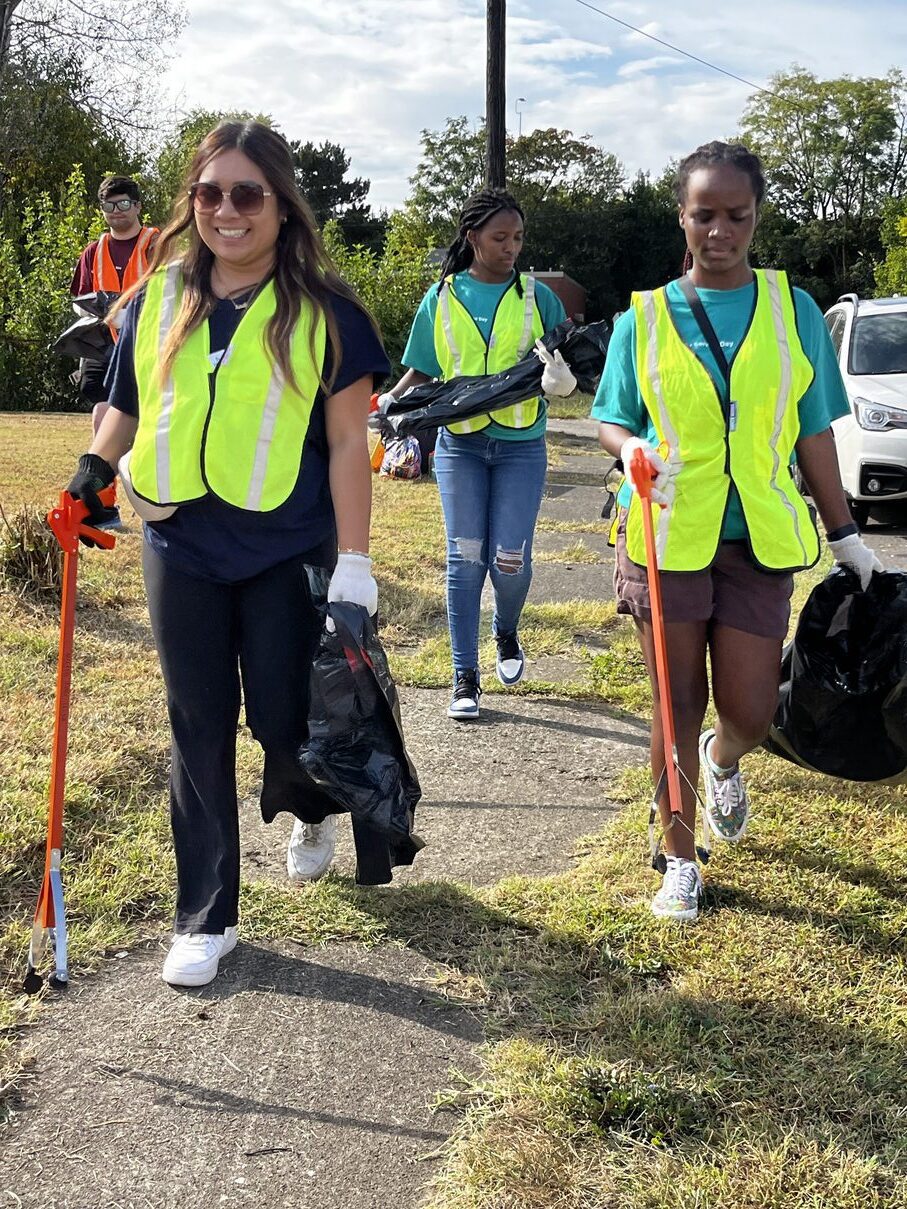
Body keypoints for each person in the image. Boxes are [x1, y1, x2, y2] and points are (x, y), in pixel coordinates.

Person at [63, 121, 389, 986]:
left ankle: (310, 807)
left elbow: (350, 443)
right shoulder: (154, 298)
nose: (226, 210)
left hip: (286, 547)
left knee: (284, 722)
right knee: (196, 723)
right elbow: (126, 405)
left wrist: (354, 566)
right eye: (209, 193)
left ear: (282, 204)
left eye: (247, 193)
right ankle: (207, 916)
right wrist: (93, 468)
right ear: (192, 203)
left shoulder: (329, 312)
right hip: (179, 541)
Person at [592, 141, 881, 923]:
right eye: (703, 214)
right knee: (672, 706)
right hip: (664, 537)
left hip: (757, 541)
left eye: (735, 214)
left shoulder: (793, 310)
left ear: (756, 216)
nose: (718, 229)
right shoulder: (642, 316)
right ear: (681, 217)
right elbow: (610, 418)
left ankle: (724, 763)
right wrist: (630, 448)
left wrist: (845, 533)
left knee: (749, 710)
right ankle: (678, 857)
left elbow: (813, 430)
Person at [376, 188, 574, 720]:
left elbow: (568, 359)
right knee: (465, 557)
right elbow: (422, 363)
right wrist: (394, 397)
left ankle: (506, 631)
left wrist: (564, 380)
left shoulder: (537, 297)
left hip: (520, 444)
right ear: (472, 238)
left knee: (509, 559)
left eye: (518, 238)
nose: (511, 247)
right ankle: (465, 677)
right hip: (459, 444)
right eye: (499, 237)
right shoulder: (440, 296)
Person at [70, 176, 159, 439]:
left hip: (146, 340)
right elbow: (80, 299)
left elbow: (174, 296)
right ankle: (103, 478)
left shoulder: (157, 244)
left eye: (122, 204)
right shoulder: (93, 251)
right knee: (95, 396)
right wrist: (95, 314)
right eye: (109, 206)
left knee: (140, 409)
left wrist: (130, 317)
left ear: (137, 206)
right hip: (102, 342)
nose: (116, 212)